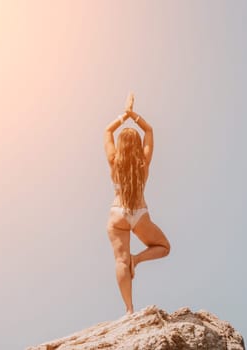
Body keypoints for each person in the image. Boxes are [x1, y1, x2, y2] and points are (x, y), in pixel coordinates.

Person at [104, 92, 171, 315]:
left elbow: (107, 131)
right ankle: (137, 259)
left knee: (120, 261)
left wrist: (124, 116)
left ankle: (129, 309)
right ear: (137, 145)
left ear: (121, 146)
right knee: (164, 247)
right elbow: (150, 131)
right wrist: (135, 115)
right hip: (139, 213)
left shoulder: (114, 161)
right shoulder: (144, 162)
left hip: (118, 213)